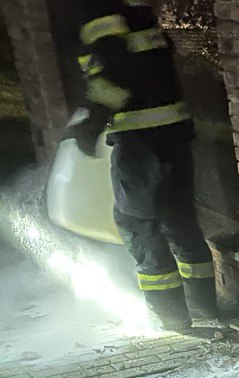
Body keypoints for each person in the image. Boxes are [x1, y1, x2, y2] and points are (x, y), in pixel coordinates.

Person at [67, 0, 217, 331]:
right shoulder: (138, 13)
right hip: (174, 132)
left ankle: (170, 317)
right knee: (180, 221)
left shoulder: (100, 15)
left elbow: (115, 77)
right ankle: (206, 307)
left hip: (140, 140)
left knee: (138, 224)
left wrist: (91, 121)